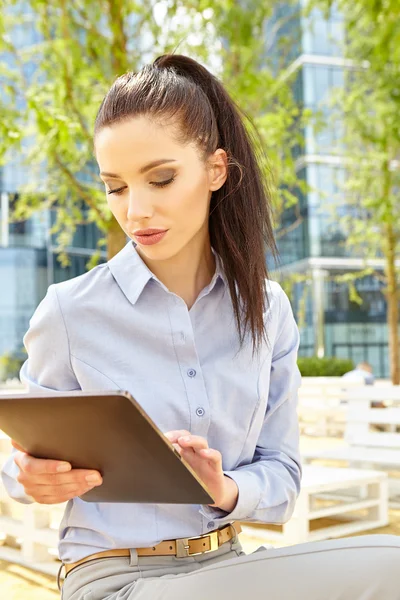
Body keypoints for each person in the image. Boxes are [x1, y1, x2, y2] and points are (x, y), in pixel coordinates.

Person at [1, 54, 399, 600]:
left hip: (228, 566)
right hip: (115, 577)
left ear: (216, 170)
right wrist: (28, 478)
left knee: (391, 563)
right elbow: (24, 462)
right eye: (115, 187)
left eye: (160, 179)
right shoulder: (69, 311)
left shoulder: (268, 310)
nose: (135, 210)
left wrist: (225, 487)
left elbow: (282, 477)